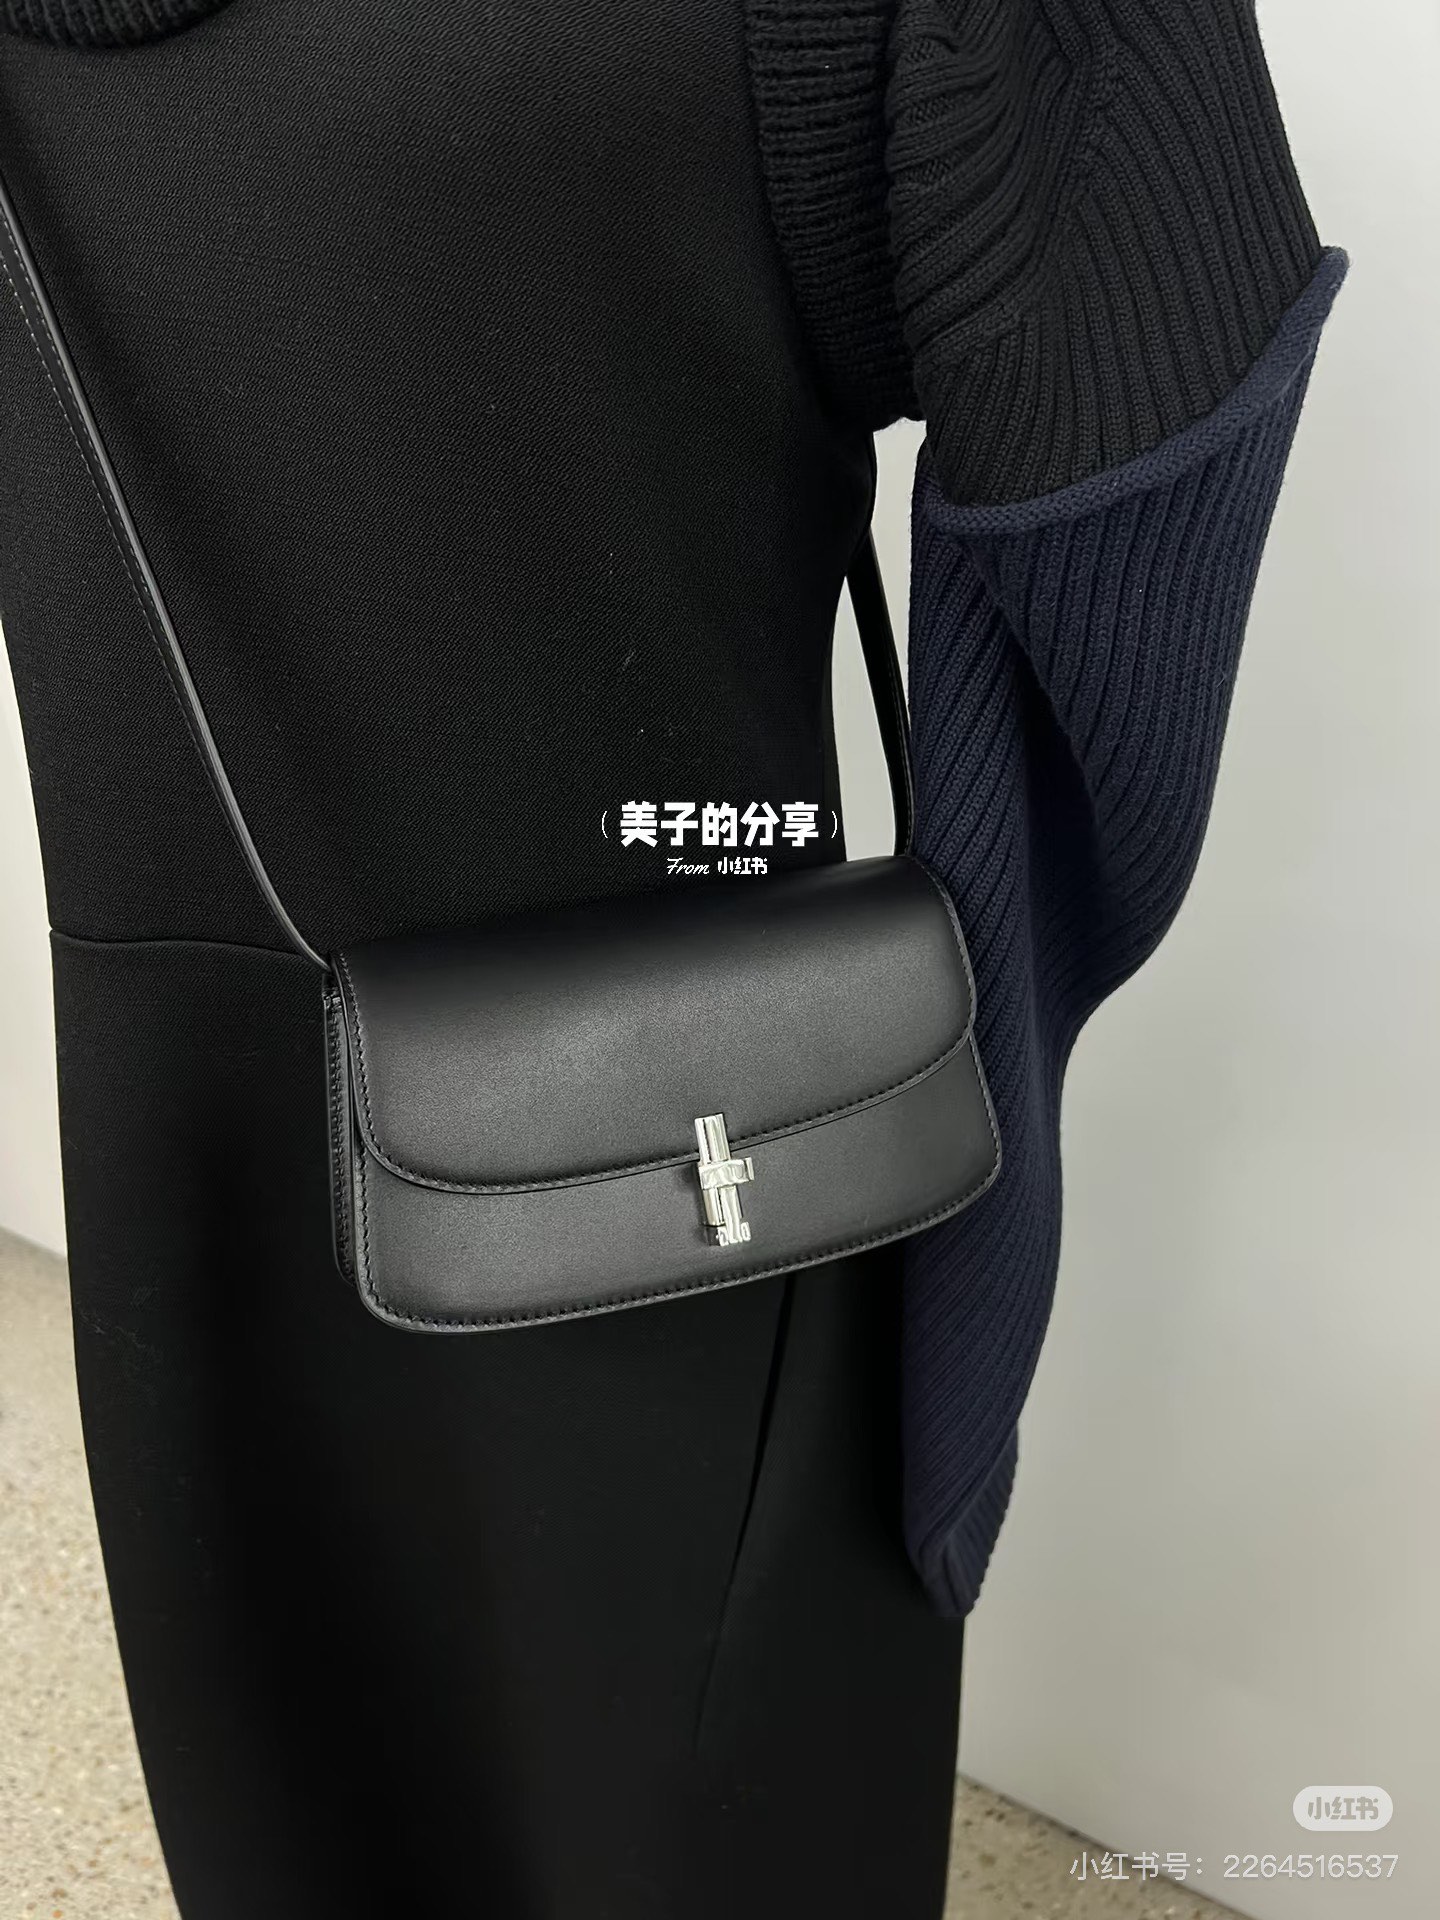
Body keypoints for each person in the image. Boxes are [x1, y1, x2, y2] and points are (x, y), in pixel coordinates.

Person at [0, 2, 1339, 1914]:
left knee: (293, 1785)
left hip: (182, 1123)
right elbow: (1141, 431)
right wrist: (980, 997)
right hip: (722, 1185)